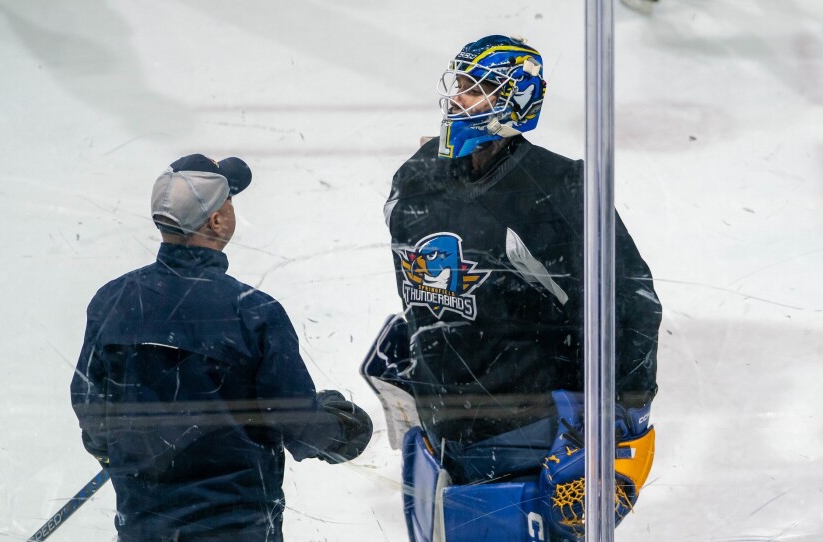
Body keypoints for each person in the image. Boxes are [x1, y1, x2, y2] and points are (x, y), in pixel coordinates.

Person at [378, 35, 662, 541]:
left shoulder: (558, 188)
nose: (461, 98)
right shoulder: (418, 178)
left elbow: (631, 302)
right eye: (461, 84)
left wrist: (624, 422)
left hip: (528, 435)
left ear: (519, 99)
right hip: (441, 433)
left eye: (481, 87)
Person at [70, 154, 373, 542]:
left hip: (145, 526)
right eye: (229, 200)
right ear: (216, 221)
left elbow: (88, 403)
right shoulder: (253, 312)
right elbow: (297, 423)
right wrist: (344, 428)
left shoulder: (112, 300)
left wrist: (124, 458)